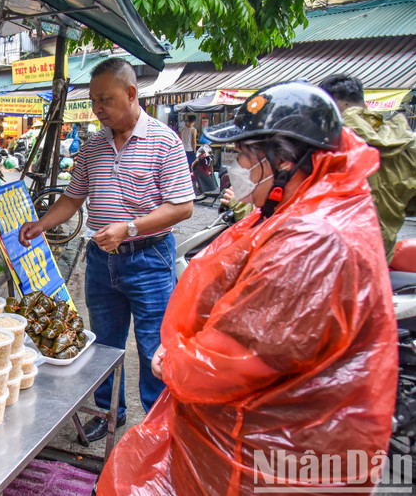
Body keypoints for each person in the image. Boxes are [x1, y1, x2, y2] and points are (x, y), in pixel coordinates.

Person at [97, 82, 398, 495]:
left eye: (243, 158)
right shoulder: (303, 210)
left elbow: (236, 358)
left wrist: (175, 363)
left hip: (270, 453)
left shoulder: (311, 240)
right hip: (269, 438)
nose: (235, 169)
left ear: (283, 162)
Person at [18, 57, 194, 444]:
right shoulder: (93, 146)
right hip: (102, 261)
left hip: (149, 258)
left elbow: (182, 206)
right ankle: (107, 413)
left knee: (153, 347)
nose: (97, 109)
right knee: (103, 345)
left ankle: (158, 427)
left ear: (131, 94)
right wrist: (41, 223)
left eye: (105, 99)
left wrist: (129, 228)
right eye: (94, 101)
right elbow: (72, 196)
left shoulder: (164, 140)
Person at [319, 73, 416, 263]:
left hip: (327, 261)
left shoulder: (323, 143)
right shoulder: (408, 145)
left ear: (326, 108)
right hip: (378, 262)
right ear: (364, 105)